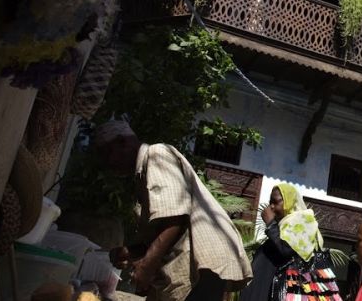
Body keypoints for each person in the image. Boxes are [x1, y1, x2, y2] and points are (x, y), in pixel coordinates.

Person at [98, 121, 253, 300]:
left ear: (122, 142)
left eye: (106, 154)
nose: (106, 163)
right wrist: (131, 252)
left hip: (203, 264)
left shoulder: (156, 154)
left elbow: (175, 217)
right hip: (197, 268)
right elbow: (161, 229)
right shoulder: (142, 176)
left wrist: (147, 265)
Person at [240, 183, 324, 301]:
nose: (271, 207)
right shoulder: (282, 227)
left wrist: (270, 225)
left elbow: (286, 249)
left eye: (276, 202)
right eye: (270, 202)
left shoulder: (303, 222)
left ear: (290, 202)